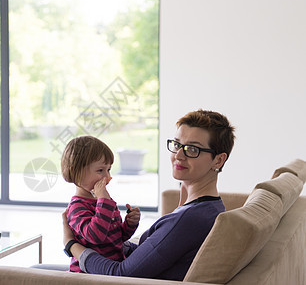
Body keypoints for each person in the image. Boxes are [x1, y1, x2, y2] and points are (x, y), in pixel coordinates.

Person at [62, 109, 236, 281]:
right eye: (177, 145)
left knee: (36, 270)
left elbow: (120, 275)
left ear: (218, 160)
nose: (178, 155)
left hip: (111, 278)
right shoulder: (210, 206)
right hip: (113, 266)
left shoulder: (188, 219)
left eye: (192, 149)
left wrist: (71, 245)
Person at [61, 135, 141, 273]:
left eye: (108, 170)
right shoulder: (76, 207)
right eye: (100, 170)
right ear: (75, 171)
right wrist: (103, 200)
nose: (107, 177)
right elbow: (95, 236)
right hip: (88, 275)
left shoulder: (103, 200)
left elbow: (116, 239)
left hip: (111, 269)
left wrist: (129, 224)